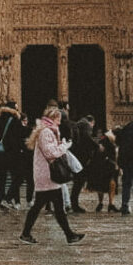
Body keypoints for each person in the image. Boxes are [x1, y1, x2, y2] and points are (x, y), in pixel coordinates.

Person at [20, 100, 84, 244]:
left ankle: (69, 235)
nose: (60, 123)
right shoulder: (46, 132)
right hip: (48, 175)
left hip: (48, 176)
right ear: (53, 119)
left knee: (52, 207)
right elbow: (50, 153)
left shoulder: (49, 131)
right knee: (44, 207)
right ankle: (68, 235)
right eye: (58, 120)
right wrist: (64, 147)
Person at [68, 116, 96, 214]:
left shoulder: (79, 124)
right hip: (82, 158)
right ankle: (74, 204)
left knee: (77, 182)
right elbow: (87, 138)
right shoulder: (86, 125)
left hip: (76, 156)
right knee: (79, 182)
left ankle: (71, 203)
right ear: (91, 122)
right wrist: (97, 146)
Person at [86, 128, 118, 214]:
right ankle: (111, 204)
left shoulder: (100, 142)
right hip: (109, 166)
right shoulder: (111, 142)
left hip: (100, 166)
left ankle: (101, 203)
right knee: (112, 184)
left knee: (101, 185)